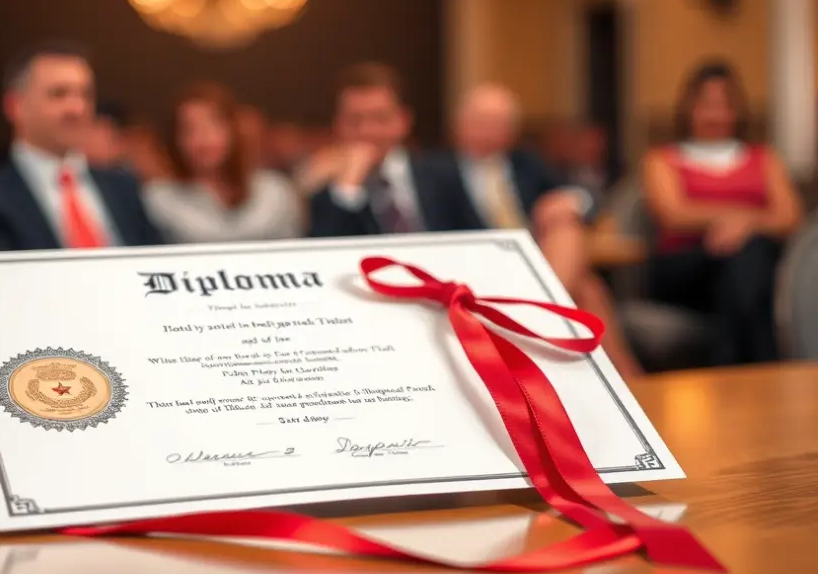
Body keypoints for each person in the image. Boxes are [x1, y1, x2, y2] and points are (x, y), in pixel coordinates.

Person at [417, 84, 642, 377]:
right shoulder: (433, 170)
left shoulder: (525, 163)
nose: (488, 132)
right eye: (481, 122)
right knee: (587, 289)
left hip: (537, 255)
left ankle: (539, 312)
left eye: (498, 124)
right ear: (459, 124)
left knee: (567, 228)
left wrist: (570, 202)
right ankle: (628, 378)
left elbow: (581, 196)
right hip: (481, 264)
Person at [641, 61, 802, 366]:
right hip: (686, 265)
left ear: (737, 111)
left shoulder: (765, 158)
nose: (715, 115)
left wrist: (745, 225)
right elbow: (674, 214)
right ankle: (765, 367)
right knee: (748, 260)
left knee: (746, 260)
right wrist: (745, 217)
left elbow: (790, 217)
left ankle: (728, 364)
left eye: (724, 106)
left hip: (749, 265)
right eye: (706, 106)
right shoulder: (662, 160)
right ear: (688, 109)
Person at [0, 40, 161, 251]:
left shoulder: (123, 188)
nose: (77, 108)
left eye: (85, 94)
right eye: (58, 94)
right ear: (16, 106)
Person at [143, 81, 303, 243]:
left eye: (214, 124)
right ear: (175, 140)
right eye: (190, 129)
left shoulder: (276, 191)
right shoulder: (160, 198)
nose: (204, 138)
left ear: (234, 130)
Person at [305, 62, 440, 235]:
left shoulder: (442, 176)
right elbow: (328, 246)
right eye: (354, 120)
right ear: (337, 125)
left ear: (404, 120)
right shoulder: (324, 192)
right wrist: (348, 188)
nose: (367, 131)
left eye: (380, 118)